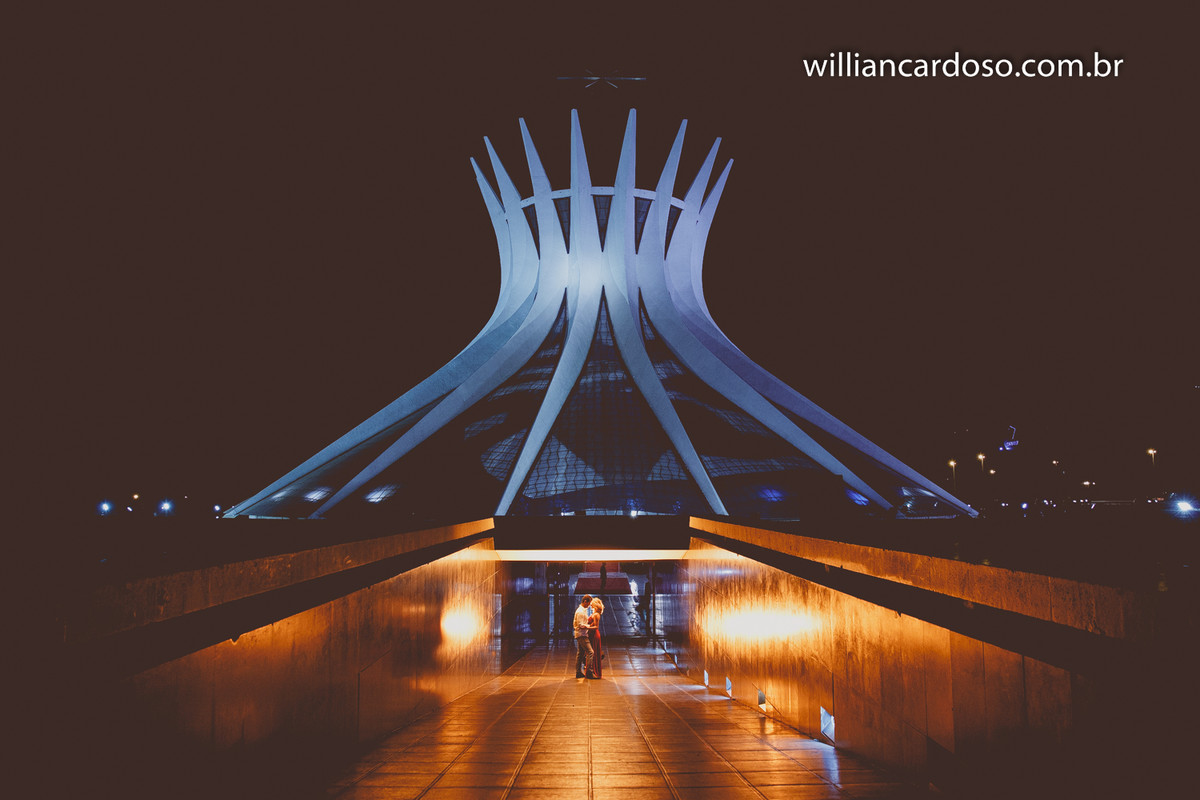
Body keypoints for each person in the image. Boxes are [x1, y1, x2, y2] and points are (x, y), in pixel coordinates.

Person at [574, 594, 595, 679]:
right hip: (581, 634)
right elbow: (580, 624)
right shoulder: (580, 612)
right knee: (590, 652)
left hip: (581, 634)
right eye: (589, 603)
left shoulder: (583, 610)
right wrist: (589, 626)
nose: (589, 605)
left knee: (580, 654)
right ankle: (589, 672)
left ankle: (578, 672)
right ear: (585, 601)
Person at [586, 597, 605, 678]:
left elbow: (596, 627)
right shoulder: (594, 613)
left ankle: (594, 671)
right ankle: (592, 670)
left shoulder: (596, 615)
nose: (590, 605)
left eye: (592, 604)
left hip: (594, 635)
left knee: (593, 652)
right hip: (592, 634)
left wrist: (586, 627)